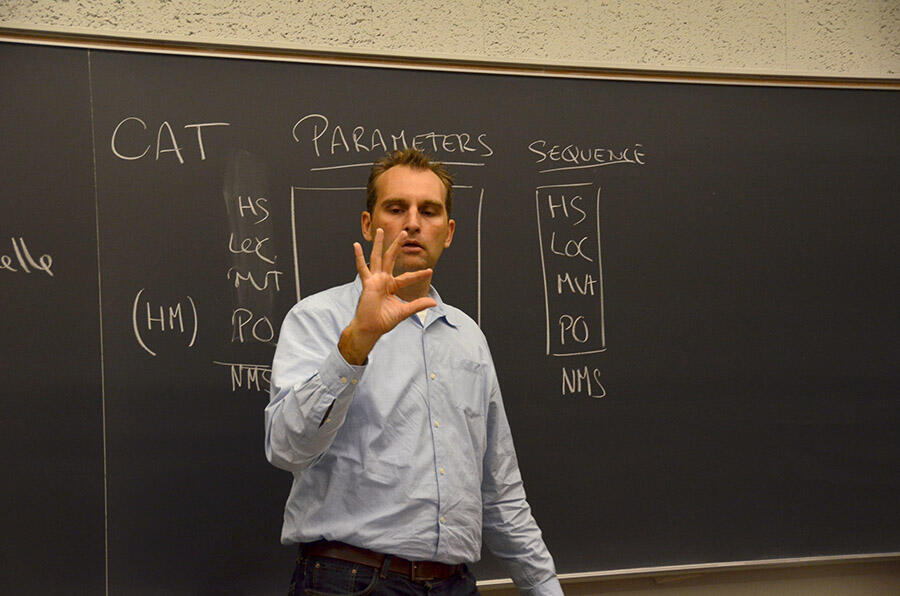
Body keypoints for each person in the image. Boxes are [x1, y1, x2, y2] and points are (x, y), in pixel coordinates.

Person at [265, 149, 562, 595]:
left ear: (449, 232)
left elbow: (499, 489)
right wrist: (354, 347)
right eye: (396, 207)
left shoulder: (468, 338)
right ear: (369, 225)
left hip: (454, 584)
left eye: (429, 210)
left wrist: (544, 588)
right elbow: (286, 449)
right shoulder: (319, 319)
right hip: (350, 580)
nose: (412, 223)